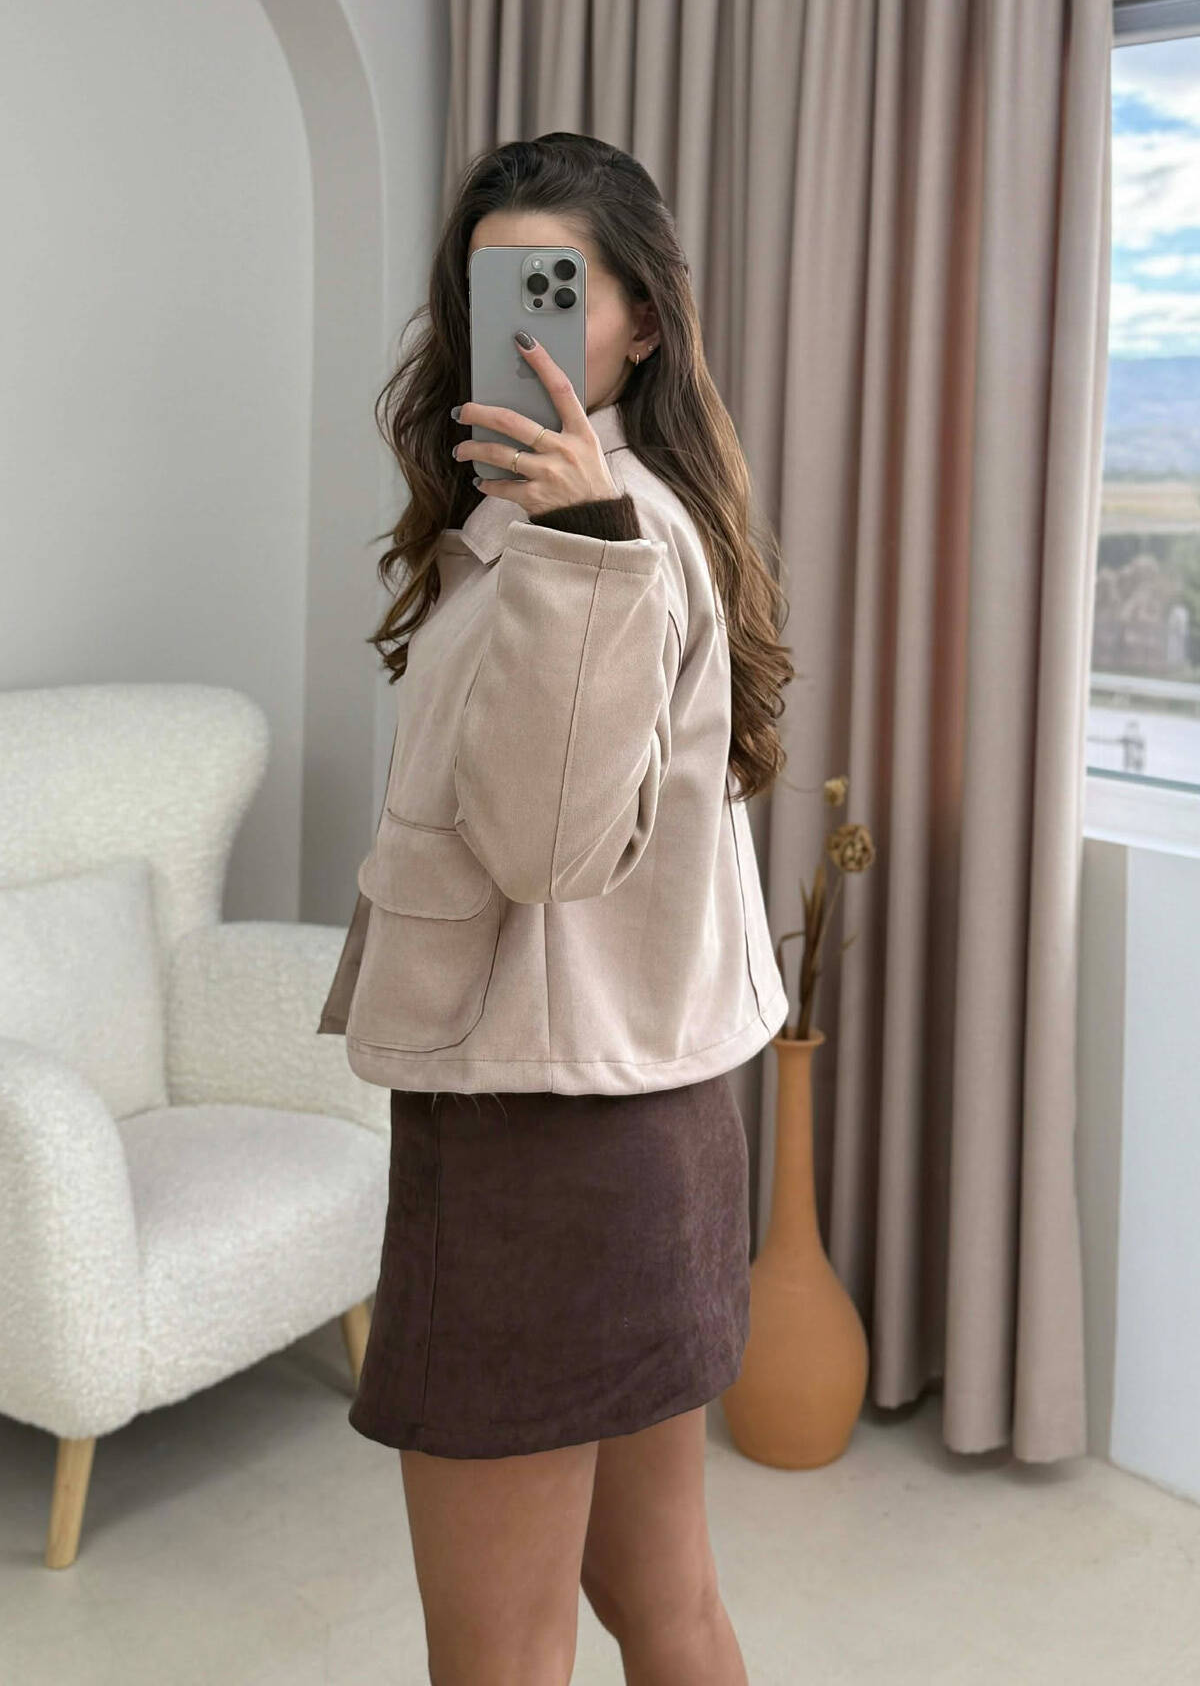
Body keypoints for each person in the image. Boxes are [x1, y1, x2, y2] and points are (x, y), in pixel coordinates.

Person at [317, 132, 795, 1685]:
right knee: (666, 1603)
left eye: (561, 289)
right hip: (651, 1116)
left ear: (642, 319)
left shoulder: (600, 535)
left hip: (540, 1137)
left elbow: (538, 849)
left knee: (501, 1654)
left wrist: (574, 557)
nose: (521, 329)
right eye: (494, 290)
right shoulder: (634, 511)